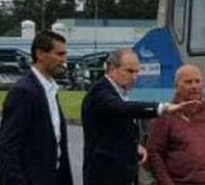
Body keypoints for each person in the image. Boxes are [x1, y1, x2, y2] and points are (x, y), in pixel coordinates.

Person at [82, 48, 198, 185]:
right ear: (112, 69)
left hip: (123, 174)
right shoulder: (100, 92)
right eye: (129, 71)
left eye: (137, 72)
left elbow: (114, 129)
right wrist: (163, 108)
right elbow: (122, 109)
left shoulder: (119, 92)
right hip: (105, 176)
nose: (135, 77)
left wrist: (135, 146)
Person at [0, 31, 72, 185]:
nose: (64, 60)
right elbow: (8, 147)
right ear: (40, 54)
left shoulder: (50, 90)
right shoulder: (24, 92)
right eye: (59, 54)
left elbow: (56, 145)